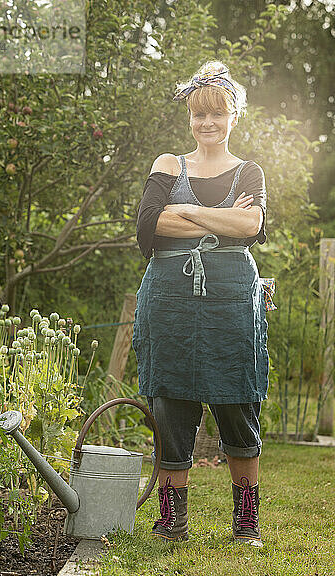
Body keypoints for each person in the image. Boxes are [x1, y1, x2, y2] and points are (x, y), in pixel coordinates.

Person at [132, 60, 276, 548]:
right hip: (169, 301)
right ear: (190, 118)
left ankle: (246, 522)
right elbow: (147, 226)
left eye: (217, 114)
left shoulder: (250, 171)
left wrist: (187, 210)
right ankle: (173, 521)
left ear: (233, 116)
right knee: (170, 401)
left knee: (237, 401)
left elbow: (253, 228)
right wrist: (218, 218)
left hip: (232, 300)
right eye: (198, 115)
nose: (207, 124)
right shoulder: (168, 165)